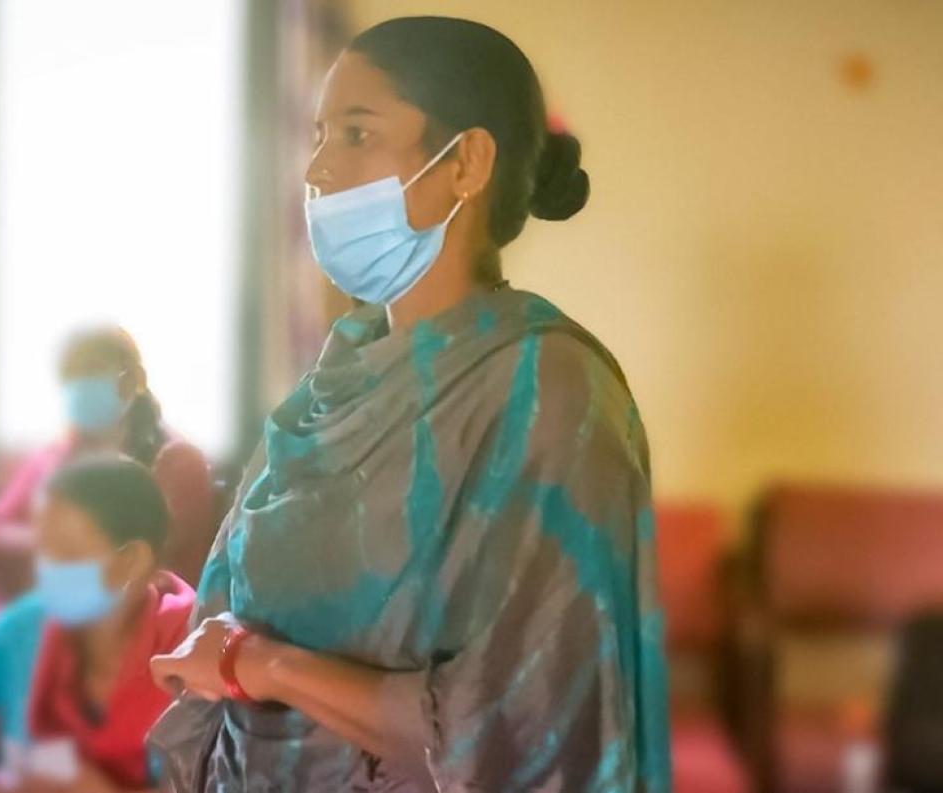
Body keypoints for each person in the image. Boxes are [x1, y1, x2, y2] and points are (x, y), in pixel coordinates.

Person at [147, 17, 670, 792]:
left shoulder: (547, 392)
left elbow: (519, 723)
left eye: (358, 133)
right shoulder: (333, 383)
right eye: (320, 133)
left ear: (465, 162)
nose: (318, 166)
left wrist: (256, 662)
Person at [0, 456, 196, 793]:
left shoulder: (191, 655)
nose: (45, 571)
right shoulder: (29, 626)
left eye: (66, 552)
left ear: (130, 561)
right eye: (43, 552)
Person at [0, 326, 214, 588]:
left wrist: (61, 546)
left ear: (132, 380)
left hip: (148, 617)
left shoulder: (178, 461)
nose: (81, 386)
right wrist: (49, 543)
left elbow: (149, 561)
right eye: (72, 376)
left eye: (93, 372)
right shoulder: (57, 455)